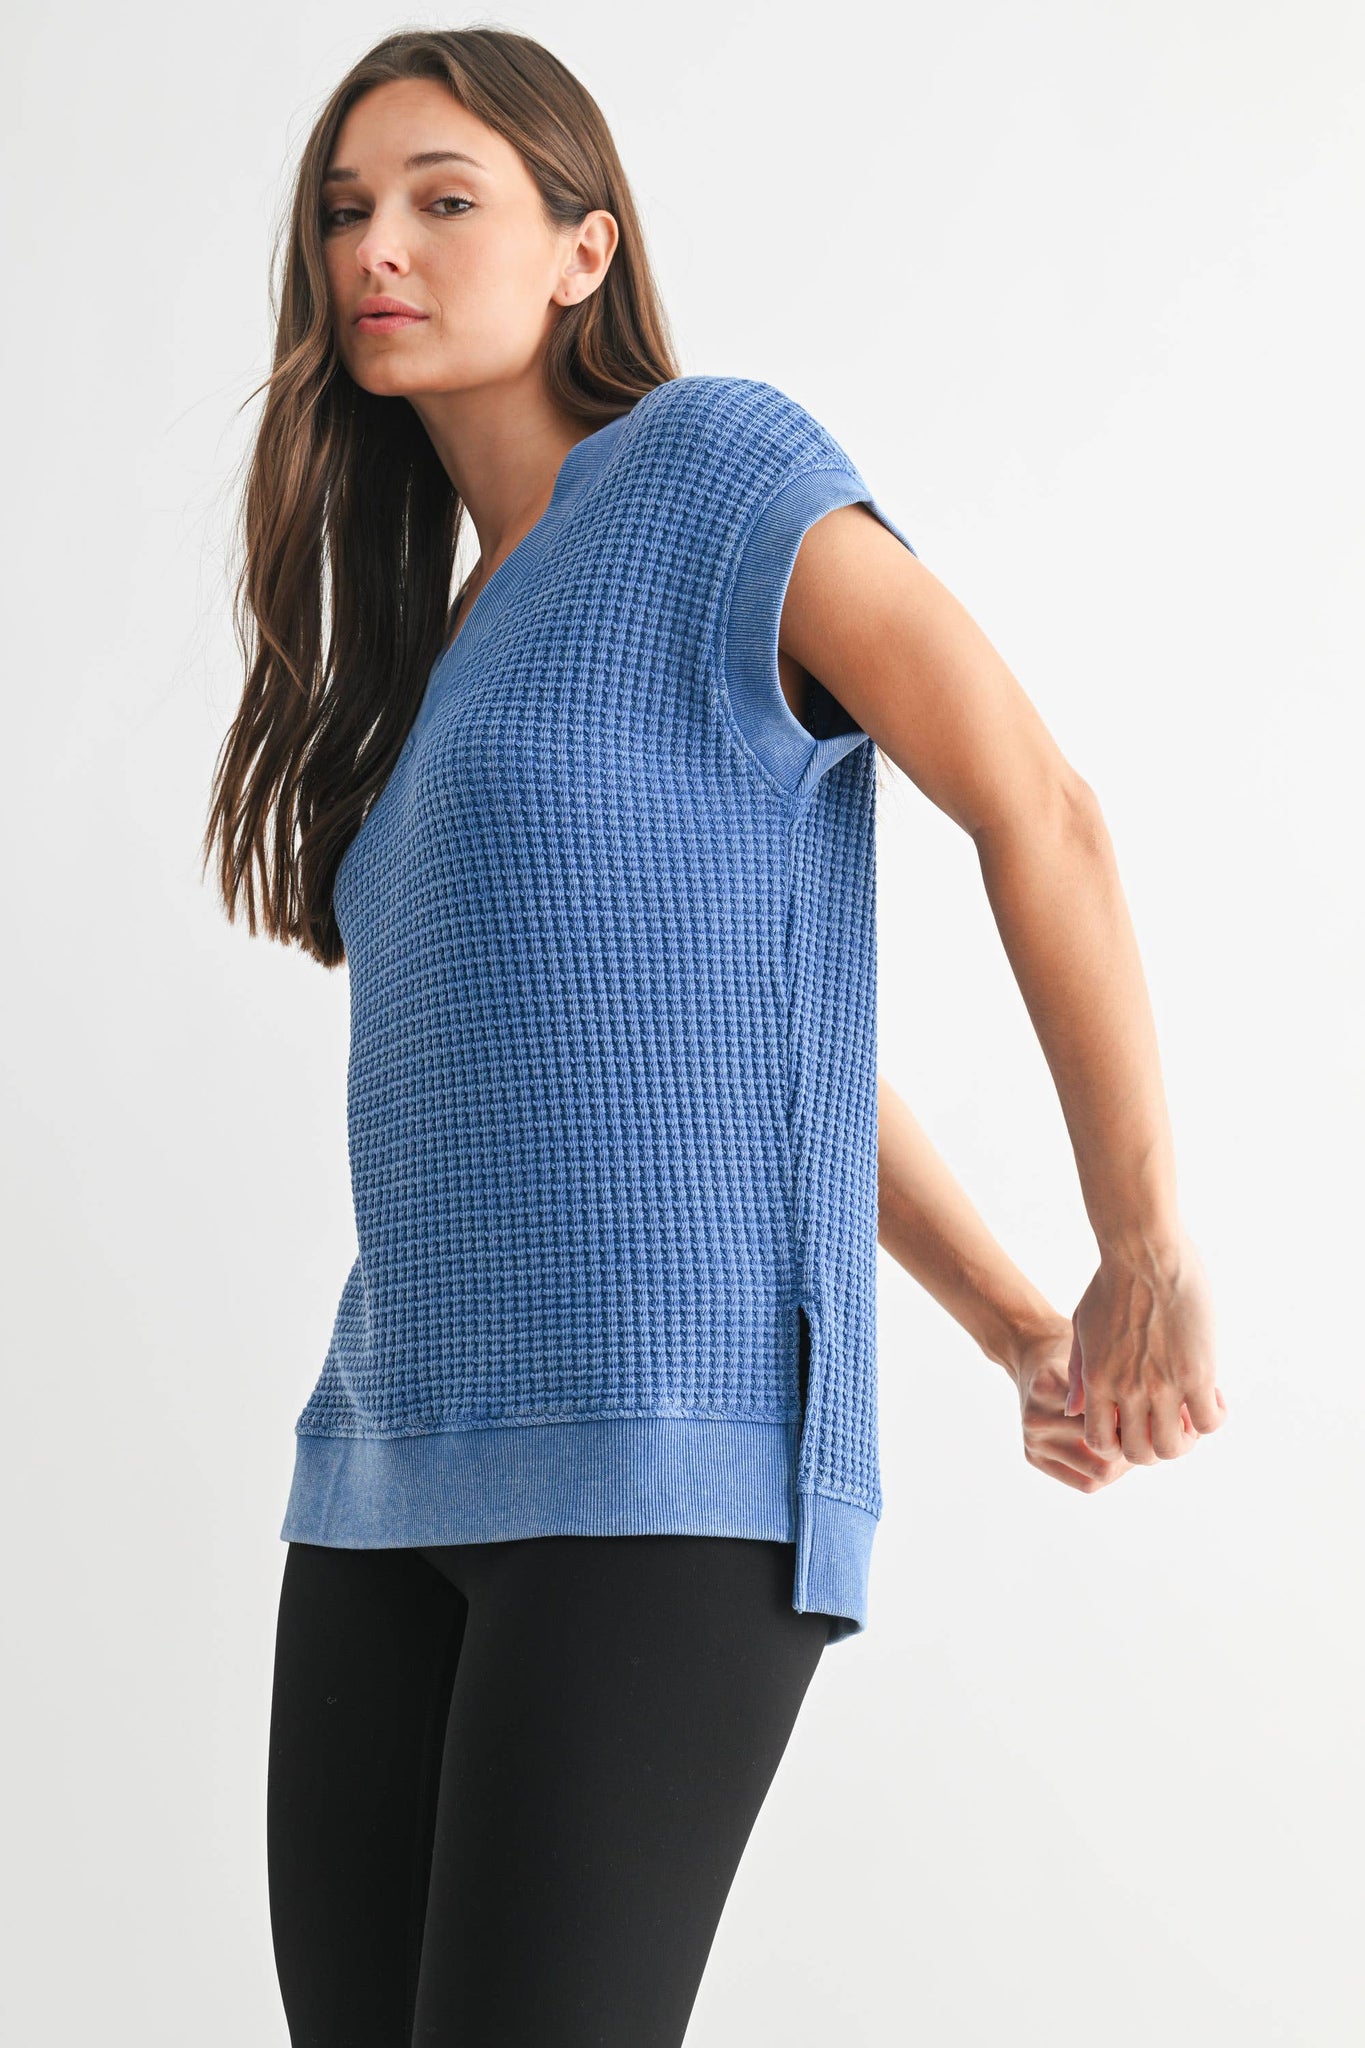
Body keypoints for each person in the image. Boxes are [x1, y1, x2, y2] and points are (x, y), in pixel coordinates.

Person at [203, 26, 1228, 2047]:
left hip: (667, 1471)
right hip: (391, 1460)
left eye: (442, 199)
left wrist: (1142, 1242)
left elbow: (1035, 804)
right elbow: (738, 1045)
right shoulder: (444, 639)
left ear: (582, 252)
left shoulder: (711, 469)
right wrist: (1017, 1324)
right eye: (344, 209)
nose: (375, 248)